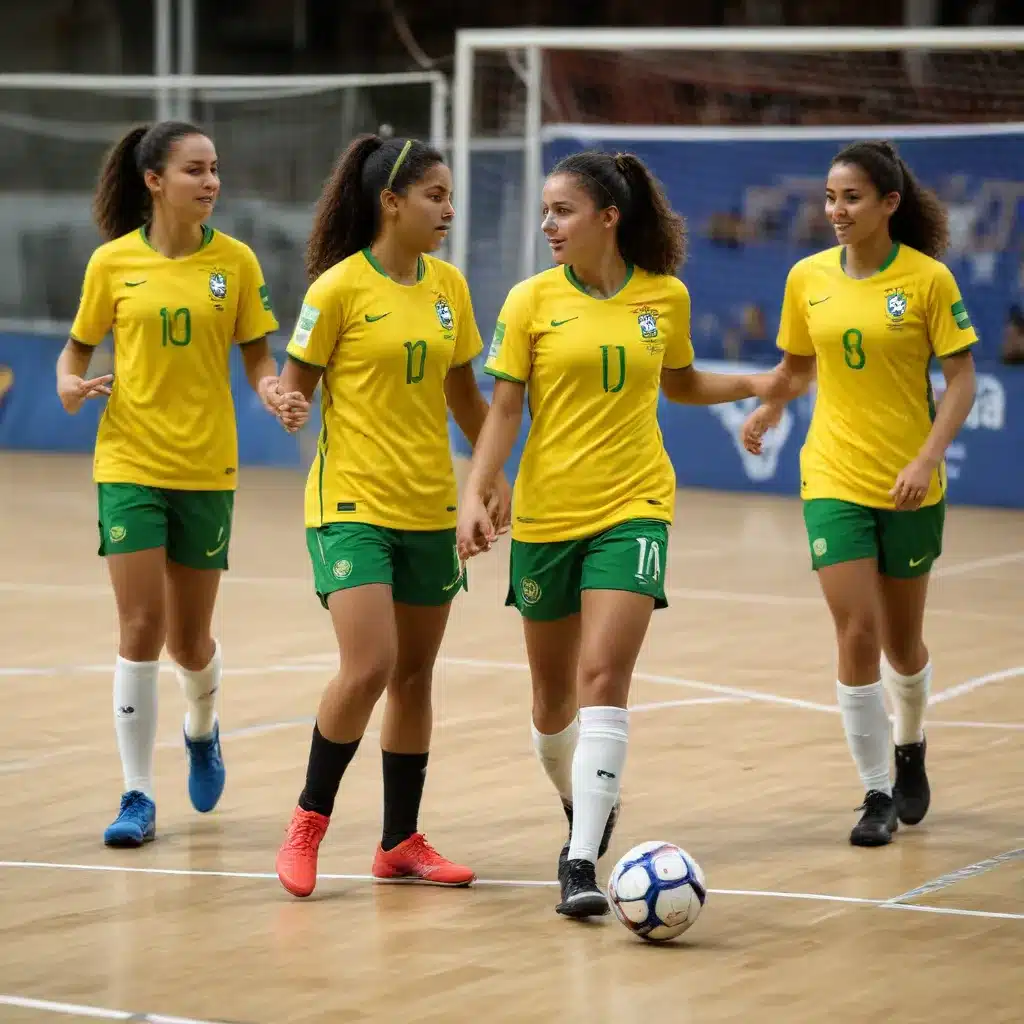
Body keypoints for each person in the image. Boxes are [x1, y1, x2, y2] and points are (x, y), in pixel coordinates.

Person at [456, 149, 780, 918]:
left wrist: (755, 382)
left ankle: (578, 862)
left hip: (634, 506)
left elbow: (678, 380)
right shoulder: (530, 300)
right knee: (549, 703)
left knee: (603, 677)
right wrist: (477, 490)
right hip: (547, 515)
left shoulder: (663, 297)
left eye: (562, 211)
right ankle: (585, 802)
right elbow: (504, 410)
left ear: (609, 217)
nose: (547, 225)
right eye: (545, 211)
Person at [272, 134, 510, 898]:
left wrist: (492, 472)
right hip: (349, 505)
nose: (447, 209)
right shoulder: (336, 290)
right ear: (391, 202)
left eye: (449, 196)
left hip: (429, 507)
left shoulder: (449, 287)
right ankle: (308, 821)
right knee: (369, 664)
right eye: (436, 195)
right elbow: (293, 382)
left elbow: (468, 399)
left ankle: (399, 841)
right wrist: (285, 400)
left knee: (414, 674)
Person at [57, 120, 307, 847]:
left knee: (190, 642)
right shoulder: (112, 264)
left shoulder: (236, 263)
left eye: (215, 169)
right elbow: (74, 354)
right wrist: (71, 385)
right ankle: (137, 794)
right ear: (154, 181)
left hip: (206, 468)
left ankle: (203, 728)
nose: (211, 182)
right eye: (195, 170)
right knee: (142, 627)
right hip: (129, 461)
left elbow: (260, 358)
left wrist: (271, 390)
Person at [741, 140, 978, 847]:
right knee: (857, 632)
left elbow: (961, 379)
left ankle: (910, 743)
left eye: (850, 198)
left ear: (889, 204)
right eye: (829, 198)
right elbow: (796, 365)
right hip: (833, 477)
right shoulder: (806, 277)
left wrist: (926, 457)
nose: (836, 211)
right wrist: (771, 407)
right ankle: (875, 791)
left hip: (910, 484)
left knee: (903, 646)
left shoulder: (929, 280)